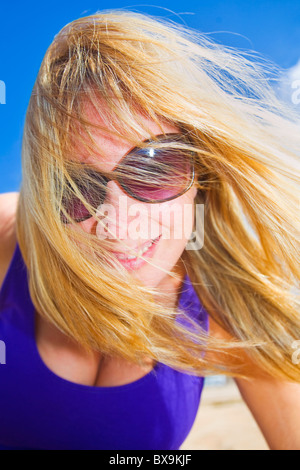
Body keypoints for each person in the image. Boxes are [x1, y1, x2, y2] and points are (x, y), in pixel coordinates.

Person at [0, 10, 299, 451]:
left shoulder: (231, 306)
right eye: (77, 187)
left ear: (204, 170)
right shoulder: (10, 236)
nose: (116, 223)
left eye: (152, 169)